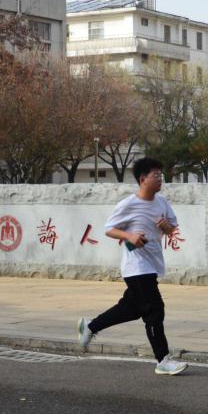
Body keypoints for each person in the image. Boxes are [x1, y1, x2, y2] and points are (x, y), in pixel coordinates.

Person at [77, 157, 187, 375]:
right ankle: (163, 360)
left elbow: (171, 229)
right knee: (155, 310)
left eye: (161, 175)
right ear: (143, 179)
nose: (160, 179)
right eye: (156, 175)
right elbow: (109, 229)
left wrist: (166, 227)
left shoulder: (162, 202)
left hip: (152, 263)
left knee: (131, 308)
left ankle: (90, 326)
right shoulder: (128, 204)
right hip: (136, 265)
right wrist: (129, 236)